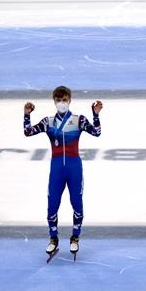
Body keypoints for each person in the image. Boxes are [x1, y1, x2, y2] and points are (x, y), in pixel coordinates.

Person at [23, 86, 102, 256]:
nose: (61, 103)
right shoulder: (48, 122)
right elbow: (28, 132)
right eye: (58, 100)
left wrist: (95, 115)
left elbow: (97, 132)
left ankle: (75, 237)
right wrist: (27, 115)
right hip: (57, 170)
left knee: (77, 203)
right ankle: (53, 239)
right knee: (52, 205)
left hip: (74, 169)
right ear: (54, 101)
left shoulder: (78, 120)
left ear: (69, 100)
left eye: (64, 100)